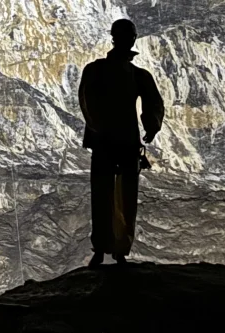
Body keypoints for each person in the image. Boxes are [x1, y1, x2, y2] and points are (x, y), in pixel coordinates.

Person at [78, 18, 165, 266]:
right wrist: (150, 126)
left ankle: (107, 249)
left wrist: (99, 127)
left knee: (107, 194)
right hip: (120, 141)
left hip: (111, 142)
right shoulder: (135, 75)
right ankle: (114, 249)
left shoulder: (99, 70)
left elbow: (87, 101)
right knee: (119, 195)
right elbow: (153, 103)